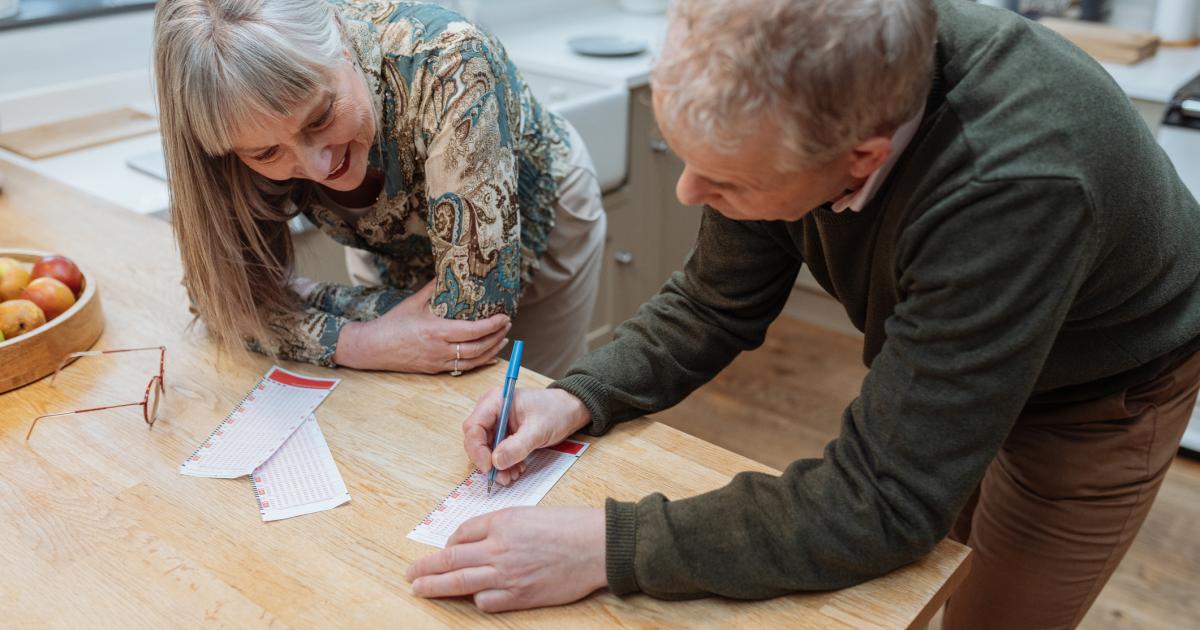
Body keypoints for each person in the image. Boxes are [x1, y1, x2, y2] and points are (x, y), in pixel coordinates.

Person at [404, 0, 1200, 626]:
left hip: (1101, 385)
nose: (687, 195)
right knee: (906, 583)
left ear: (862, 158)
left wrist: (609, 546)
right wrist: (577, 395)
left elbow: (881, 503)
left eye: (729, 184)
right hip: (975, 320)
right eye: (690, 163)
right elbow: (714, 298)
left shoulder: (1017, 185)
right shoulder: (796, 88)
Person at [153, 0, 605, 378]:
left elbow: (471, 321)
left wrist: (298, 301)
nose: (317, 167)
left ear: (341, 42)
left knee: (525, 401)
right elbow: (217, 296)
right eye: (267, 154)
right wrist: (362, 343)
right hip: (385, 240)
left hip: (537, 211)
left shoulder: (453, 62)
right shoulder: (224, 124)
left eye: (320, 118)